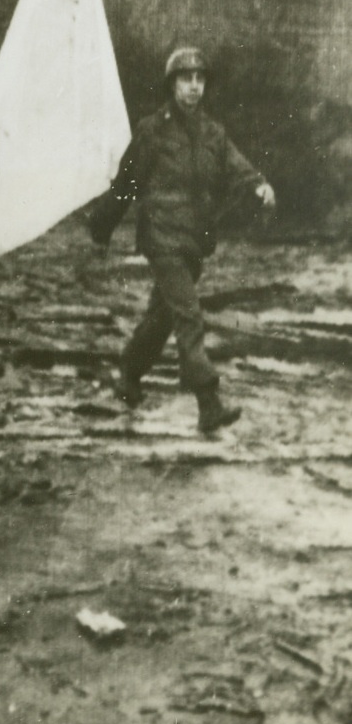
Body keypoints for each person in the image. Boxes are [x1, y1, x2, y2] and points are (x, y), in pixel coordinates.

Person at [89, 47, 275, 434]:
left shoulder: (213, 133)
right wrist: (101, 227)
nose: (193, 87)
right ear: (171, 85)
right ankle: (208, 402)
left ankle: (128, 377)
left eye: (199, 79)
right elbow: (126, 184)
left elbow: (237, 166)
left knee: (161, 317)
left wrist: (258, 184)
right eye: (185, 79)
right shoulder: (152, 131)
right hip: (161, 235)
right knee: (189, 314)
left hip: (194, 239)